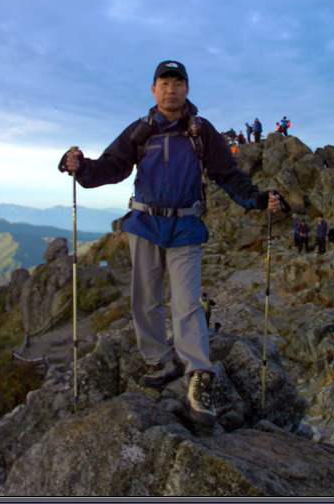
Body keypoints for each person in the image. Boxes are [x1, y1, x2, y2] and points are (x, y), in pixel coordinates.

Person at [59, 60, 283, 429]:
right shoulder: (141, 131)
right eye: (164, 83)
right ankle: (158, 360)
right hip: (145, 224)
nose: (170, 90)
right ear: (153, 90)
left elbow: (227, 174)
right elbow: (112, 167)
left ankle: (199, 375)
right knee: (144, 299)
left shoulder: (201, 132)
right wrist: (80, 167)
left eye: (177, 83)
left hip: (185, 228)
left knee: (187, 302)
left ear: (187, 90)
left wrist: (257, 199)